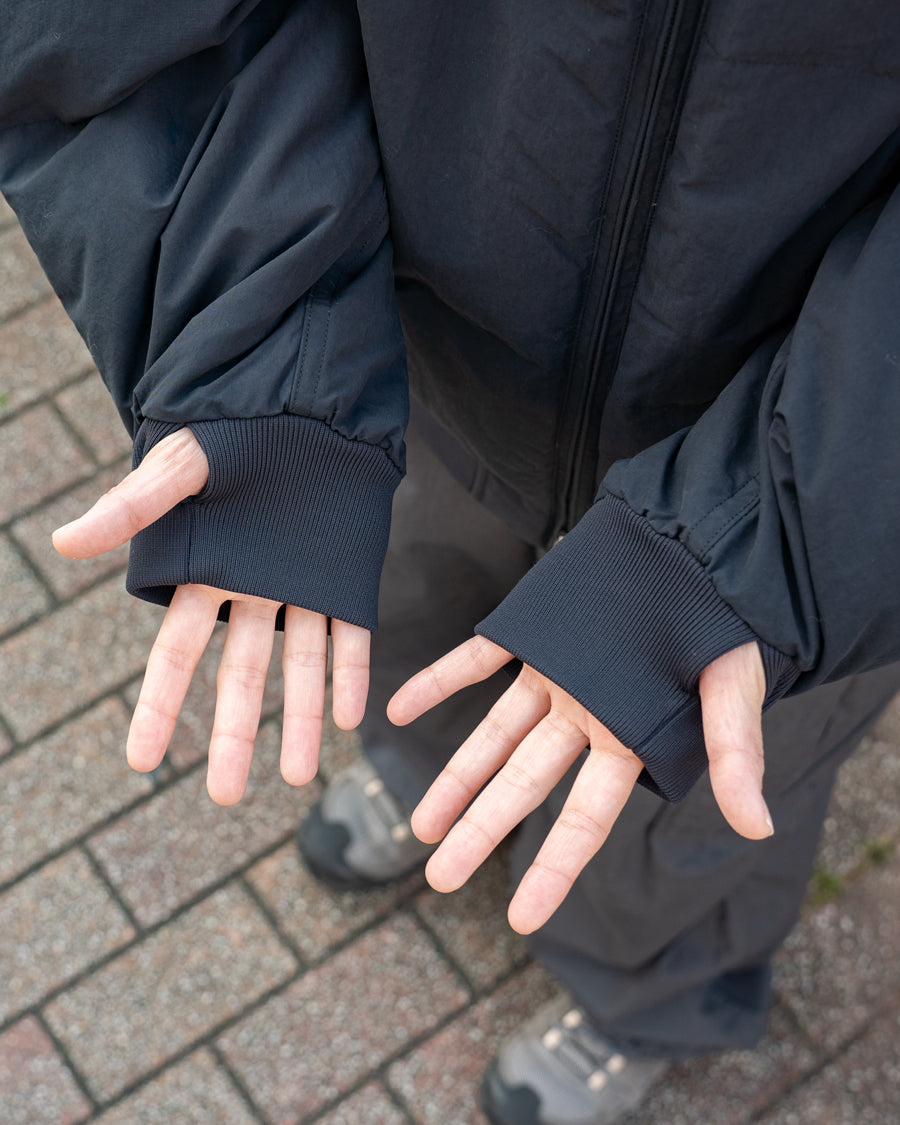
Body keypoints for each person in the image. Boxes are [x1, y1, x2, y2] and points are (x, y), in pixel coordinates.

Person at [3, 3, 900, 1122]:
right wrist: (268, 350)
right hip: (452, 348)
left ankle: (643, 996)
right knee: (420, 591)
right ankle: (426, 763)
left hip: (823, 450)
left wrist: (776, 540)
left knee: (709, 770)